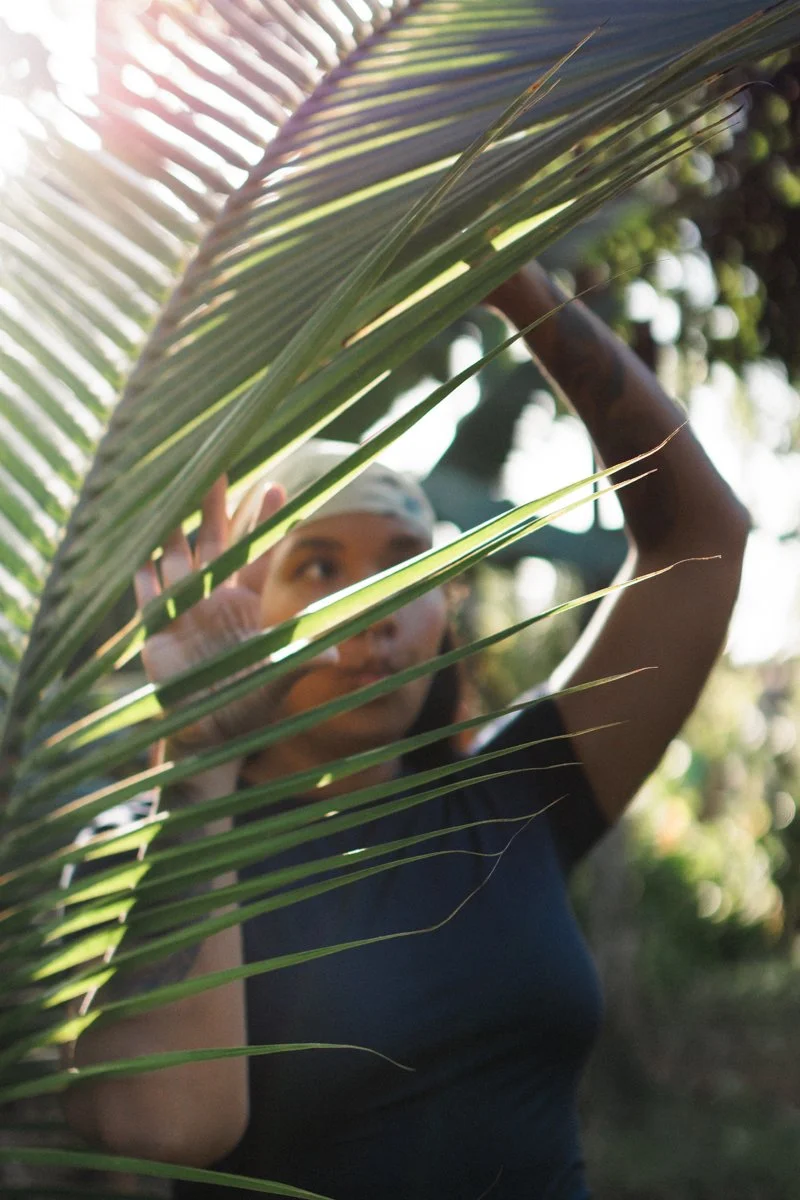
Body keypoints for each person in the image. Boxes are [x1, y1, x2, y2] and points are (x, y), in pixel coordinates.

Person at [62, 263, 749, 1199]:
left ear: (446, 610)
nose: (371, 607)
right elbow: (163, 1127)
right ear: (238, 611)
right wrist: (193, 759)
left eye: (404, 567)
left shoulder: (518, 795)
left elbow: (704, 539)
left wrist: (514, 284)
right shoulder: (145, 848)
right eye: (316, 565)